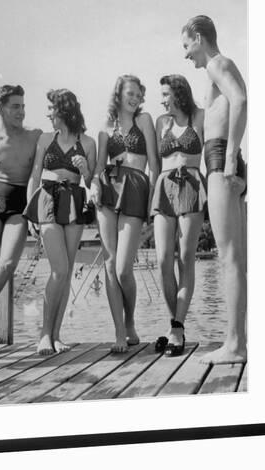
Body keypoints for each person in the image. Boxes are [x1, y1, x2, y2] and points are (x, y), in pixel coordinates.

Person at [182, 15, 247, 364]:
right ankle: (238, 340)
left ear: (198, 37)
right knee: (235, 258)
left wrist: (232, 158)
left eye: (187, 45)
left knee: (229, 257)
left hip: (222, 157)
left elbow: (240, 101)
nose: (186, 54)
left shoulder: (218, 63)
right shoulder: (216, 69)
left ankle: (234, 345)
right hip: (220, 156)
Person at [23, 89, 96, 355]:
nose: (48, 113)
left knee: (65, 275)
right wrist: (30, 211)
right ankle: (43, 334)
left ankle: (56, 335)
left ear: (64, 110)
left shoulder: (87, 143)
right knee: (59, 270)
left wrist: (85, 168)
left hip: (75, 201)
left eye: (52, 108)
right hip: (47, 198)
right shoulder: (44, 138)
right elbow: (34, 175)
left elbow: (91, 182)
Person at [90, 74, 159, 352]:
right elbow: (97, 169)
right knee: (108, 265)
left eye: (138, 94)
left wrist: (152, 204)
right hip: (108, 190)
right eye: (130, 93)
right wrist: (94, 184)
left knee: (123, 269)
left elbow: (153, 164)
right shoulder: (106, 126)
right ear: (118, 94)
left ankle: (130, 321)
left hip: (136, 189)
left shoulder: (144, 120)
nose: (135, 98)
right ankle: (120, 332)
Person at [0, 84, 42, 359]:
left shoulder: (34, 136)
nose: (21, 111)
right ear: (1, 108)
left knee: (8, 264)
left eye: (23, 106)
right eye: (15, 106)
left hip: (18, 206)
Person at [151, 75, 206, 356]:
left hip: (192, 185)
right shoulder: (161, 123)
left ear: (179, 93)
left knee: (185, 259)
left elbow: (215, 149)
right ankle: (177, 326)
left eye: (165, 94)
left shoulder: (199, 116)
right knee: (162, 260)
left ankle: (176, 328)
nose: (161, 100)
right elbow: (153, 165)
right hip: (164, 186)